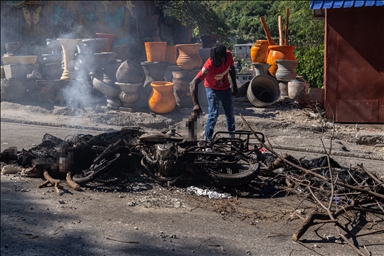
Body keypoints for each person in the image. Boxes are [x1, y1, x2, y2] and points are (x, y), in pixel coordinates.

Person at [189, 43, 238, 141]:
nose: (216, 62)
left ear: (224, 57)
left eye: (218, 60)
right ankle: (207, 139)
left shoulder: (228, 55)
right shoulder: (209, 66)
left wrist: (235, 86)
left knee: (230, 113)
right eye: (214, 59)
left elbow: (232, 68)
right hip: (212, 89)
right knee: (214, 114)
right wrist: (196, 104)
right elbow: (193, 83)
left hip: (226, 88)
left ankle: (232, 139)